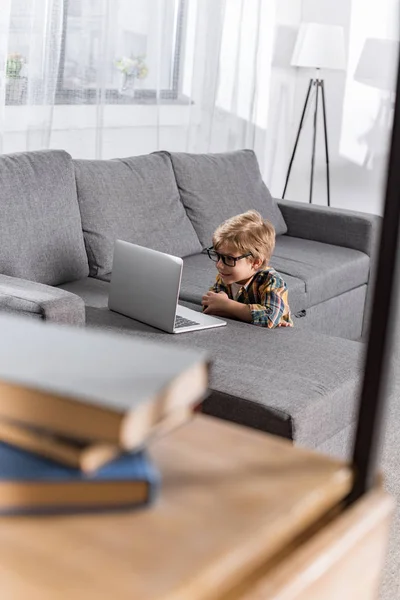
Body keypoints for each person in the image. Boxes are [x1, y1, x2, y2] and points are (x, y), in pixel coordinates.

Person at [202, 210, 293, 328]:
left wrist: (226, 305)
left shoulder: (271, 281)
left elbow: (269, 318)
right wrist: (246, 315)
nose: (219, 265)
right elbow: (209, 306)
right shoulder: (225, 277)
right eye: (218, 256)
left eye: (229, 258)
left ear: (255, 262)